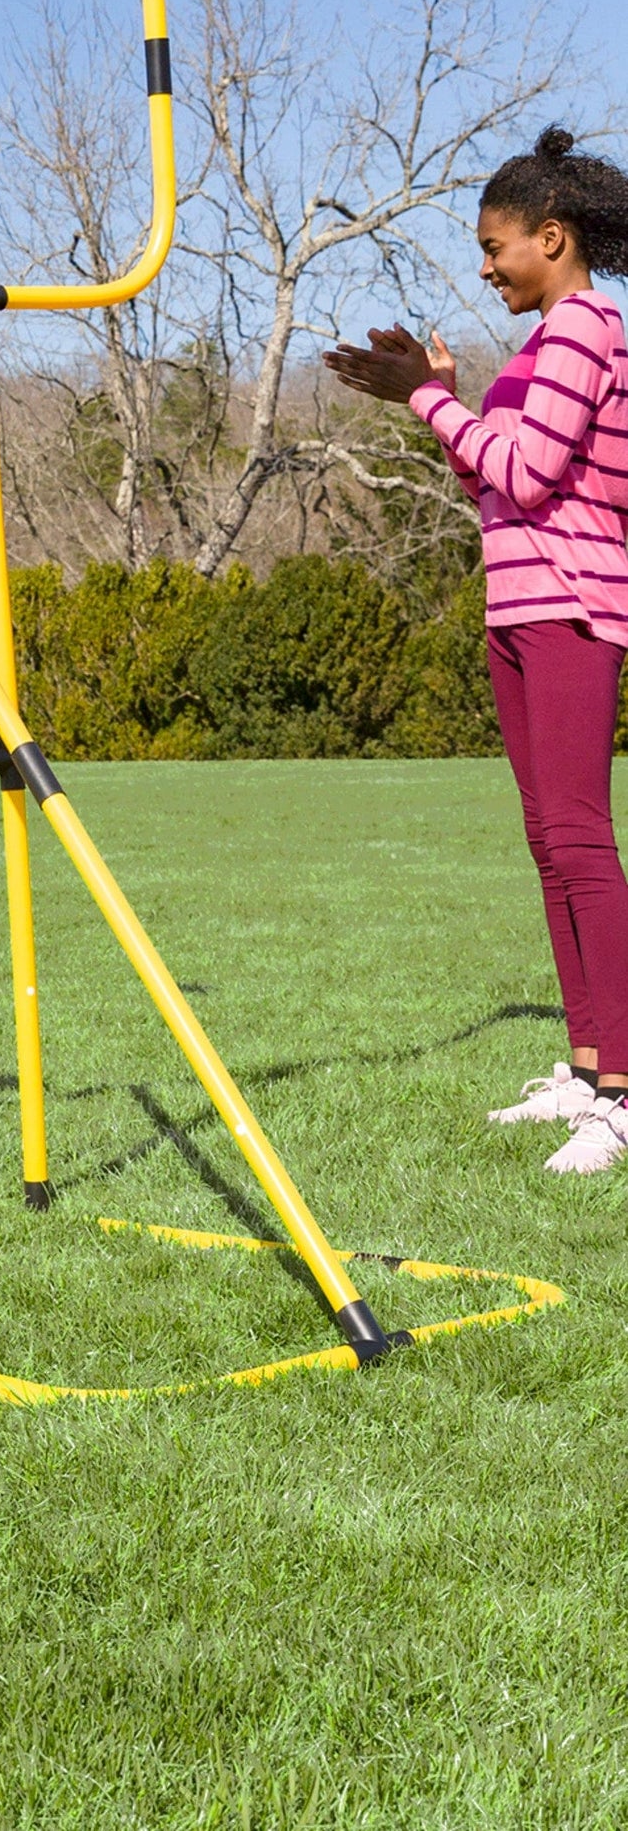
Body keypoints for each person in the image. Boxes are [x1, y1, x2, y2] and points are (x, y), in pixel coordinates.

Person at [325, 127, 628, 1172]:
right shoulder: (544, 346)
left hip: (572, 608)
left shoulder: (585, 329)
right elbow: (491, 482)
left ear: (551, 237)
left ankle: (622, 1093)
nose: (483, 266)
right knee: (548, 843)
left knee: (580, 841)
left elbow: (532, 469)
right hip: (516, 607)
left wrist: (428, 395)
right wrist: (442, 399)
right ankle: (587, 1068)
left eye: (492, 246)